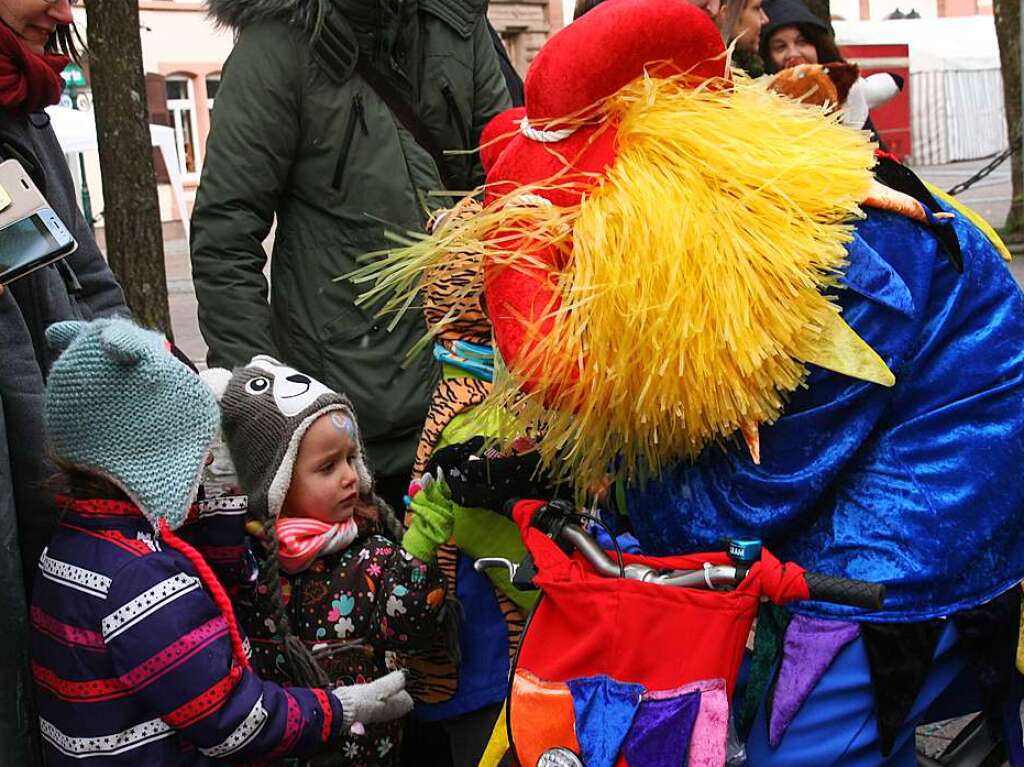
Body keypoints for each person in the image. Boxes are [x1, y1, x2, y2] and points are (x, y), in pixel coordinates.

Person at [381, 0, 1024, 762]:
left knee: (801, 737)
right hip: (862, 477)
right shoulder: (712, 240)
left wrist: (601, 491)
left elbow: (762, 485)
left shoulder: (829, 270)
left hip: (931, 516)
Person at [30, 318, 414, 765]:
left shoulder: (75, 540)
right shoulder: (144, 579)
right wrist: (338, 709)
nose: (209, 457)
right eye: (194, 448)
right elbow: (233, 722)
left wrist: (216, 508)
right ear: (147, 458)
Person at [190, 0, 512, 513]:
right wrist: (266, 409)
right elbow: (225, 239)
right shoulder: (276, 48)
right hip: (348, 428)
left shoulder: (456, 24)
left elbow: (509, 179)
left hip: (479, 394)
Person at [209, 356, 449, 766]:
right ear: (275, 481)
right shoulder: (241, 562)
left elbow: (414, 628)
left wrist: (420, 549)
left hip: (366, 754)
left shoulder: (371, 554)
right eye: (327, 466)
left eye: (351, 458)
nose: (349, 476)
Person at [0, 2, 128, 764]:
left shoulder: (28, 104)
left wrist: (145, 364)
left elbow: (82, 274)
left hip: (50, 447)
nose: (64, 8)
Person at [758, 0, 841, 73]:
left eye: (802, 42)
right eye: (780, 47)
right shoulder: (756, 89)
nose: (793, 54)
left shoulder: (844, 85)